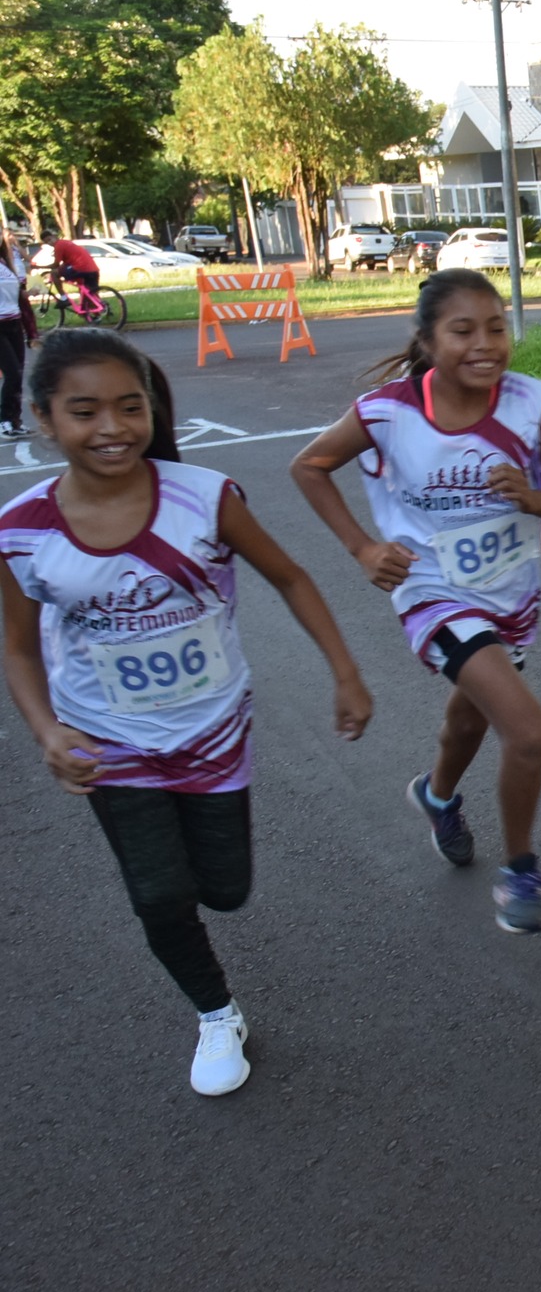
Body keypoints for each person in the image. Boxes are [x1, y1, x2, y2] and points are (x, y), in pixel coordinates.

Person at [0, 328, 372, 1095]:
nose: (111, 427)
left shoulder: (203, 498)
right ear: (42, 418)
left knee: (225, 887)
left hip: (212, 737)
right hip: (107, 742)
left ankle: (195, 901)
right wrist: (46, 730)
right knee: (158, 892)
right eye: (84, 411)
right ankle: (214, 1012)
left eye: (129, 407)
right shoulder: (21, 531)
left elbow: (291, 577)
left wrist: (345, 672)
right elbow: (19, 644)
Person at [290, 270, 541, 933]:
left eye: (496, 327)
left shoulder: (529, 402)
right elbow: (309, 466)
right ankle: (520, 869)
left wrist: (532, 496)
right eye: (463, 330)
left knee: (471, 721)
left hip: (511, 596)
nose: (486, 344)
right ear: (427, 340)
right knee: (530, 731)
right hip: (433, 593)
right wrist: (362, 548)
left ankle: (436, 795)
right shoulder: (387, 411)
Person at [0, 229, 26, 436]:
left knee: (18, 374)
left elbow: (17, 294)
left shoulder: (5, 262)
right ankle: (5, 421)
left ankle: (15, 420)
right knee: (12, 373)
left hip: (15, 323)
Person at [40, 230, 101, 307]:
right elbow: (66, 263)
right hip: (93, 269)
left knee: (54, 273)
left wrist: (38, 267)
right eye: (47, 242)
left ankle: (64, 298)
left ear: (54, 236)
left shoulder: (59, 245)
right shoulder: (67, 243)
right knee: (89, 292)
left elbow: (56, 265)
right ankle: (98, 310)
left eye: (49, 239)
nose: (50, 243)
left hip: (80, 269)